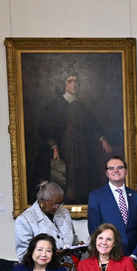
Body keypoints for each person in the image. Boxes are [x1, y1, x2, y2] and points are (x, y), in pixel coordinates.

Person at [39, 72, 111, 204]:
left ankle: (80, 198)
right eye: (70, 81)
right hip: (65, 145)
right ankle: (67, 199)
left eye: (76, 81)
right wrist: (54, 146)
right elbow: (47, 128)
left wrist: (102, 139)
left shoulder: (80, 105)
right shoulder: (55, 105)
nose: (74, 84)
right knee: (66, 172)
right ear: (64, 84)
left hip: (81, 146)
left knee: (81, 170)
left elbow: (91, 125)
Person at [88, 156, 137, 259]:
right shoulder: (96, 196)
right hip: (109, 257)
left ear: (126, 171)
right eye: (111, 168)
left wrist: (134, 255)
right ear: (106, 173)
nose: (116, 170)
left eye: (120, 167)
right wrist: (106, 254)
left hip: (134, 258)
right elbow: (94, 230)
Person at [15, 181, 78, 261]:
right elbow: (23, 254)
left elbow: (73, 237)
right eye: (54, 204)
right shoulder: (25, 220)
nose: (57, 207)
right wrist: (50, 254)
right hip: (43, 270)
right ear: (42, 202)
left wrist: (78, 246)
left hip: (68, 268)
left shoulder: (64, 212)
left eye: (60, 203)